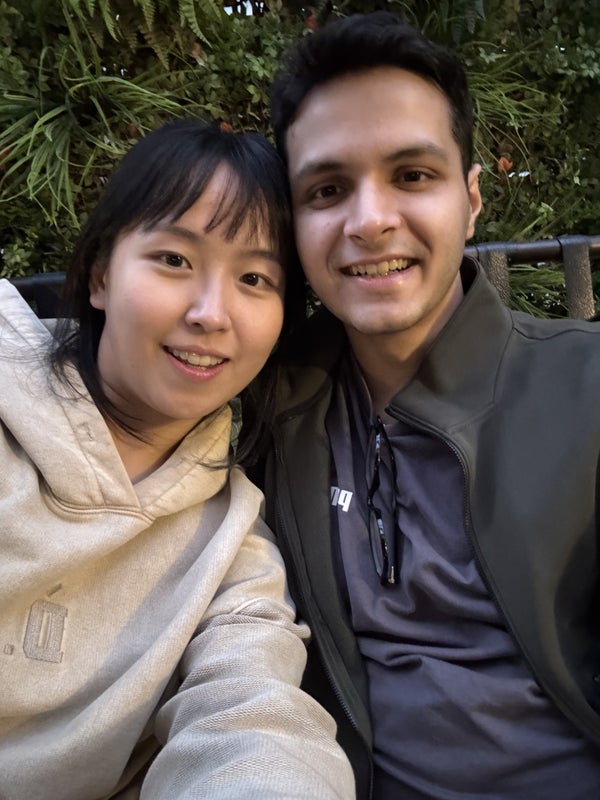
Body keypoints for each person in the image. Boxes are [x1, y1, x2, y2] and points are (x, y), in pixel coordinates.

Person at [258, 11, 600, 800]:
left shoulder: (585, 390)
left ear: (471, 200)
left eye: (412, 176)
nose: (370, 220)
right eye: (327, 190)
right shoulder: (265, 405)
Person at [0, 118, 355, 799]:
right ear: (101, 275)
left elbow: (253, 719)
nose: (210, 313)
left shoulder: (233, 544)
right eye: (173, 260)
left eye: (255, 277)